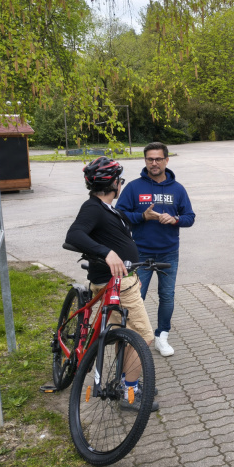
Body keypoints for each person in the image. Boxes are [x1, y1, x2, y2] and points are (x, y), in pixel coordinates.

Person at [65, 156, 159, 412]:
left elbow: (118, 226)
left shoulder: (105, 208)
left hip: (122, 283)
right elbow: (74, 234)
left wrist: (142, 216)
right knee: (144, 336)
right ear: (114, 183)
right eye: (120, 181)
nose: (121, 185)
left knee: (124, 335)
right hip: (117, 284)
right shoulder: (93, 208)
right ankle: (130, 391)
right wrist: (106, 253)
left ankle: (125, 380)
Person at [117, 142, 195, 357]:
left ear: (166, 160)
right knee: (136, 296)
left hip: (169, 252)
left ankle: (162, 337)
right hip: (139, 253)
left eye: (158, 159)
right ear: (145, 161)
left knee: (167, 296)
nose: (154, 163)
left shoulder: (177, 189)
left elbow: (190, 217)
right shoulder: (134, 187)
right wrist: (143, 216)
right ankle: (133, 338)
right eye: (150, 159)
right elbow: (119, 215)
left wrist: (175, 219)